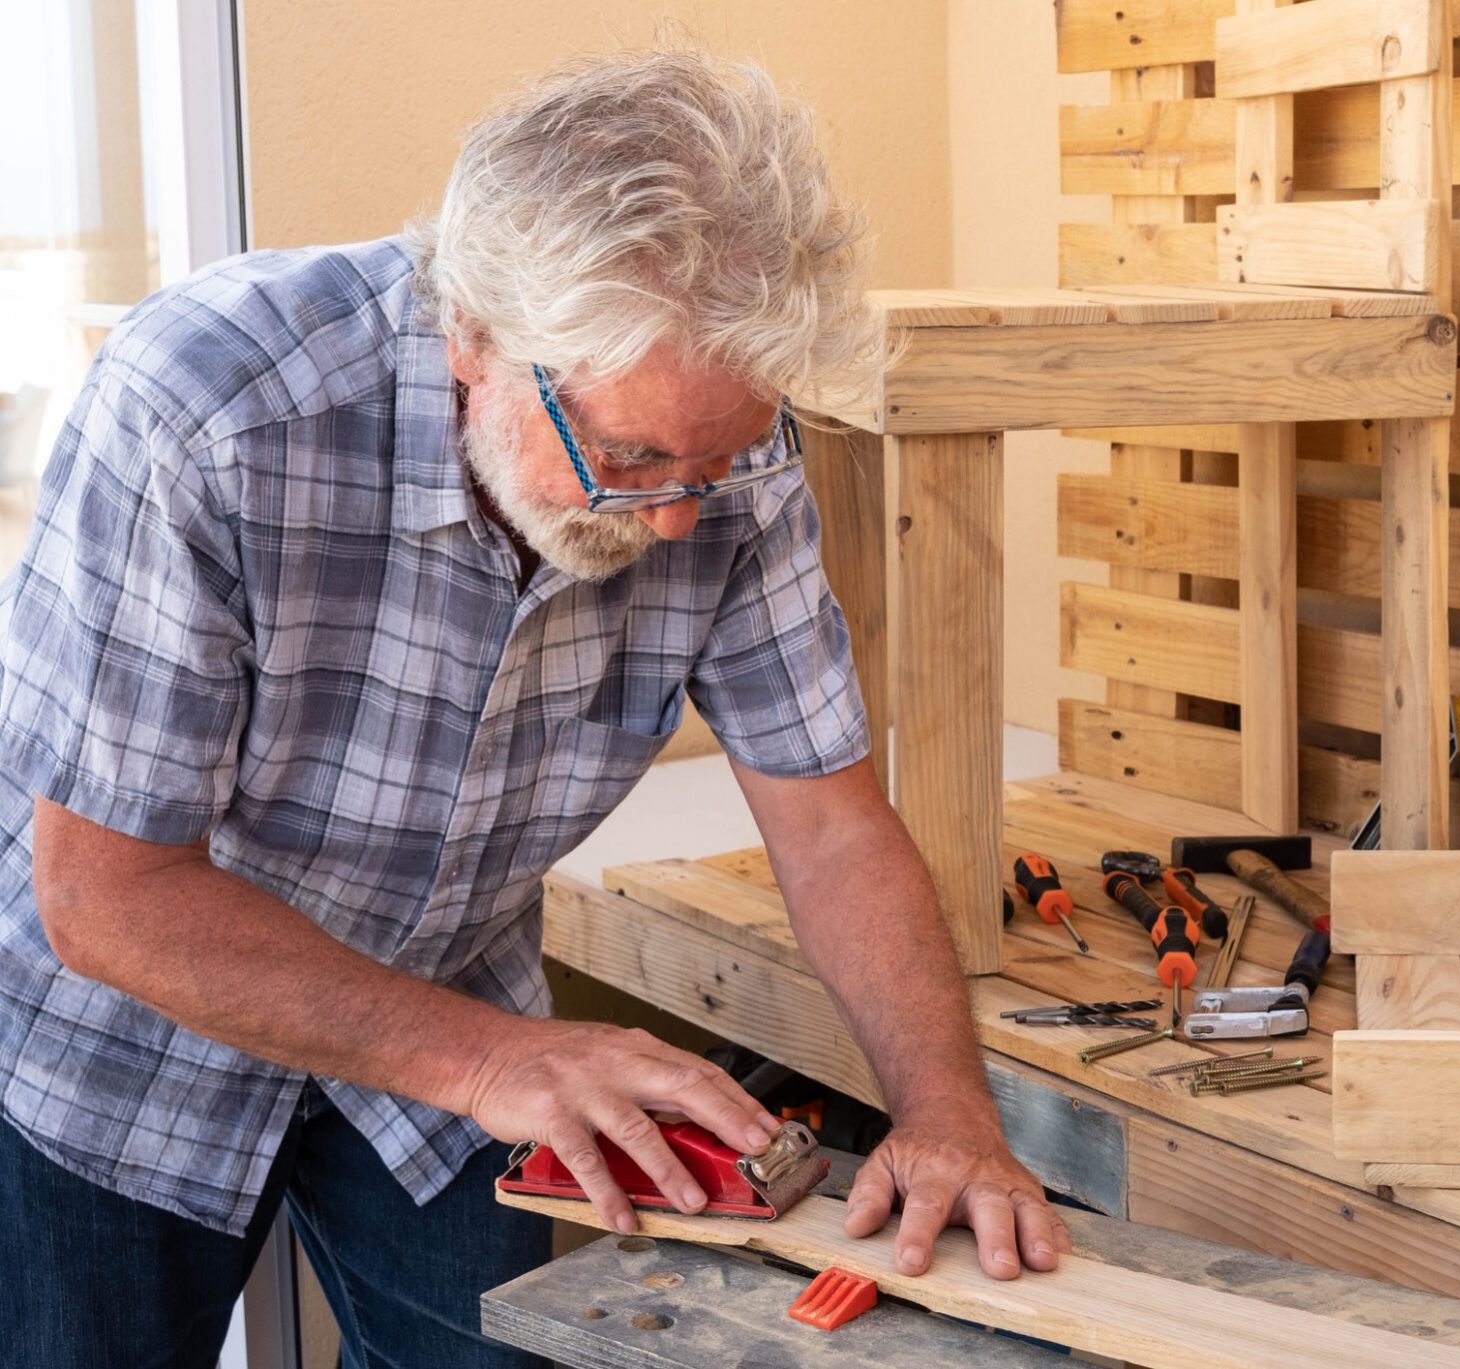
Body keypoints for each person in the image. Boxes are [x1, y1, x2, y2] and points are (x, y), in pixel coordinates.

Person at [0, 46, 1064, 1368]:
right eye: (629, 459)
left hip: (453, 999)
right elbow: (107, 893)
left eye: (714, 462)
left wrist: (947, 1107)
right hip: (122, 1041)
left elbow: (833, 824)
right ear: (476, 335)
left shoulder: (727, 453)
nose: (678, 512)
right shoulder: (204, 409)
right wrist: (500, 1063)